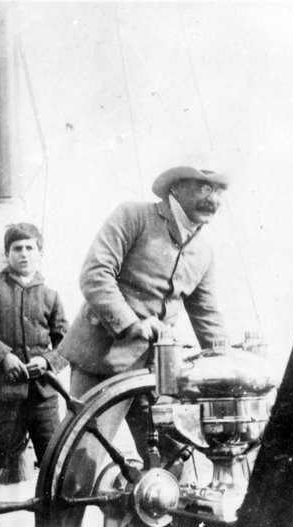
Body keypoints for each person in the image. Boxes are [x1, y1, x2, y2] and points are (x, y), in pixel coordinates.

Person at [58, 165, 230, 503]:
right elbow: (95, 274)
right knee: (78, 474)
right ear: (176, 188)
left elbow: (208, 317)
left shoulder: (204, 253)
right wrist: (132, 323)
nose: (214, 198)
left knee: (179, 470)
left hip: (155, 375)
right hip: (103, 365)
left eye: (219, 191)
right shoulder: (134, 216)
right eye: (204, 188)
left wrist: (230, 365)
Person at [0, 223, 69, 527]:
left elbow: (67, 344)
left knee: (55, 470)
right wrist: (3, 356)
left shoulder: (51, 296)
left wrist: (46, 361)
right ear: (7, 254)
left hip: (43, 398)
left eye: (29, 248)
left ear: (40, 253)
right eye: (17, 248)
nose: (23, 254)